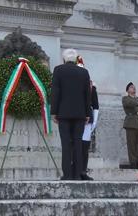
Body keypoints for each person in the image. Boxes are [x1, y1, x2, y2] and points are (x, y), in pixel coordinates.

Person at [51, 49, 91, 180]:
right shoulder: (84, 72)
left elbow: (55, 92)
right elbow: (87, 94)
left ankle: (67, 174)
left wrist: (54, 112)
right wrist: (87, 113)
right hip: (80, 113)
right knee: (78, 144)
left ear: (63, 59)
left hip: (63, 113)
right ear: (75, 59)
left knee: (66, 144)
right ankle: (77, 174)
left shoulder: (58, 70)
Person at [78, 56, 99, 180]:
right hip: (75, 118)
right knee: (74, 145)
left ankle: (82, 170)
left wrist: (95, 120)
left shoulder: (92, 87)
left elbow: (95, 105)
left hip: (87, 121)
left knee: (84, 146)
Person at [122, 82, 138, 171]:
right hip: (131, 124)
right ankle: (133, 164)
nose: (134, 89)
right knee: (132, 145)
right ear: (128, 90)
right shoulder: (125, 99)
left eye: (134, 87)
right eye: (131, 87)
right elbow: (129, 104)